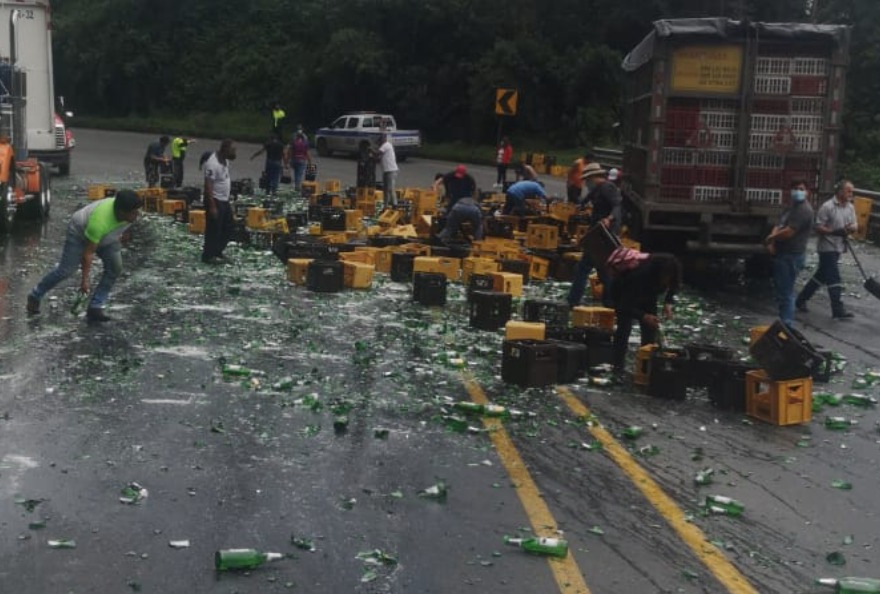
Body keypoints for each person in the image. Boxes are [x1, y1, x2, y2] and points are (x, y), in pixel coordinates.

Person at [26, 190, 143, 323]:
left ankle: (96, 307)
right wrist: (85, 281)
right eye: (134, 212)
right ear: (122, 212)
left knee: (115, 267)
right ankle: (35, 295)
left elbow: (126, 224)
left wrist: (125, 233)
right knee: (66, 270)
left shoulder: (129, 212)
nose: (137, 215)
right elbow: (88, 254)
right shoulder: (99, 221)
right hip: (79, 233)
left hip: (108, 236)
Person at [795, 180, 858, 319]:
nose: (850, 194)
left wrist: (850, 229)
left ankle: (801, 300)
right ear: (840, 191)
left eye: (851, 192)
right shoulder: (827, 206)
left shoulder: (850, 207)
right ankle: (837, 308)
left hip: (839, 247)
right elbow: (818, 227)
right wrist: (834, 231)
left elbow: (854, 225)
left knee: (821, 276)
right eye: (848, 191)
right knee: (834, 277)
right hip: (827, 247)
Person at [610, 253, 681, 371]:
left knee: (650, 331)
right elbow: (624, 305)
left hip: (648, 296)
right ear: (658, 273)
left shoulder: (669, 275)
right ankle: (617, 365)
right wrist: (643, 316)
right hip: (623, 294)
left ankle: (645, 366)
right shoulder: (640, 275)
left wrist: (668, 302)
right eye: (665, 277)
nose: (666, 281)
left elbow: (674, 285)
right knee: (624, 329)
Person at [567, 162, 623, 308]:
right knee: (603, 270)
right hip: (596, 234)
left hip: (604, 235)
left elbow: (617, 205)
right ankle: (609, 302)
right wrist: (578, 207)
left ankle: (574, 300)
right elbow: (584, 201)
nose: (586, 183)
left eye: (587, 180)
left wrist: (609, 219)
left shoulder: (608, 188)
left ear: (594, 177)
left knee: (584, 268)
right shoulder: (597, 189)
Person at [764, 180, 814, 327]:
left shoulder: (804, 210)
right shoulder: (790, 207)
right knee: (781, 291)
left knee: (786, 293)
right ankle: (783, 322)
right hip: (782, 254)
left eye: (801, 189)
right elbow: (779, 225)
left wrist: (771, 238)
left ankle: (787, 325)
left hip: (792, 255)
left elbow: (788, 232)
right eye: (795, 188)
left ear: (807, 192)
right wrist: (772, 241)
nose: (798, 191)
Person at [202, 139, 237, 265]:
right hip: (215, 200)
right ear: (225, 149)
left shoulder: (225, 160)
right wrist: (212, 207)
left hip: (224, 200)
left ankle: (217, 251)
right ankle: (208, 256)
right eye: (233, 150)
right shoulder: (213, 164)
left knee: (228, 227)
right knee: (213, 229)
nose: (235, 153)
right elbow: (208, 186)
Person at [438, 165, 482, 243]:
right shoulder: (449, 176)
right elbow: (475, 193)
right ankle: (478, 242)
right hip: (471, 206)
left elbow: (474, 189)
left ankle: (440, 239)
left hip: (458, 204)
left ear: (464, 174)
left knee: (450, 226)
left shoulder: (469, 178)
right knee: (478, 226)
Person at [374, 134, 399, 208]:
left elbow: (378, 153)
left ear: (383, 139)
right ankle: (386, 205)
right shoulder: (385, 146)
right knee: (385, 188)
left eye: (379, 141)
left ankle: (395, 204)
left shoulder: (386, 145)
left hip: (391, 170)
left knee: (390, 188)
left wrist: (371, 150)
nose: (379, 143)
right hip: (386, 170)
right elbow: (378, 158)